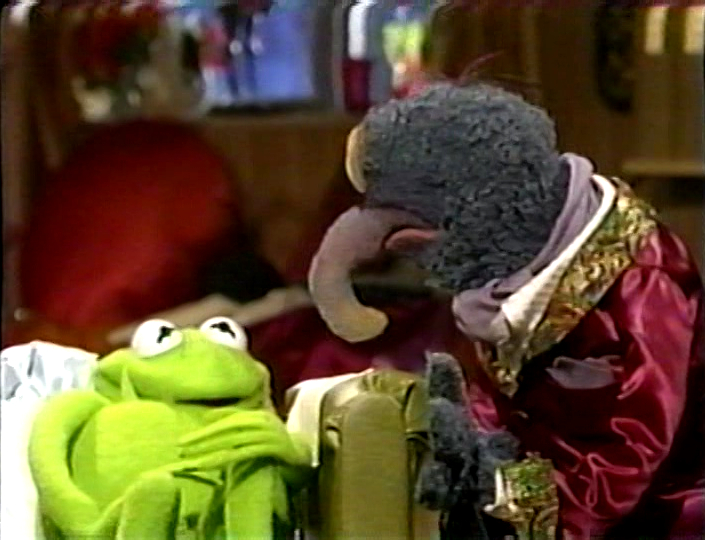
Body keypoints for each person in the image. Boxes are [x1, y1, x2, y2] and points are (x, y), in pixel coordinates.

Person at [306, 81, 705, 539]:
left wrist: (499, 487)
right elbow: (500, 400)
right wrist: (470, 440)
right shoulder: (502, 279)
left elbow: (631, 453)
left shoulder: (642, 290)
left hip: (660, 519)